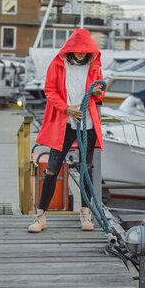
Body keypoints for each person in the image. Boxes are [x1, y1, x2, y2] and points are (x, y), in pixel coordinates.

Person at [28, 28, 105, 233]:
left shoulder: (94, 65)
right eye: (78, 50)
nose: (81, 53)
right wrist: (66, 108)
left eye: (85, 50)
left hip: (87, 123)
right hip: (64, 122)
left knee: (86, 169)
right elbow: (50, 91)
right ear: (71, 48)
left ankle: (85, 214)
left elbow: (98, 95)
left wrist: (97, 92)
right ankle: (41, 216)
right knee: (52, 168)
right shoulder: (58, 63)